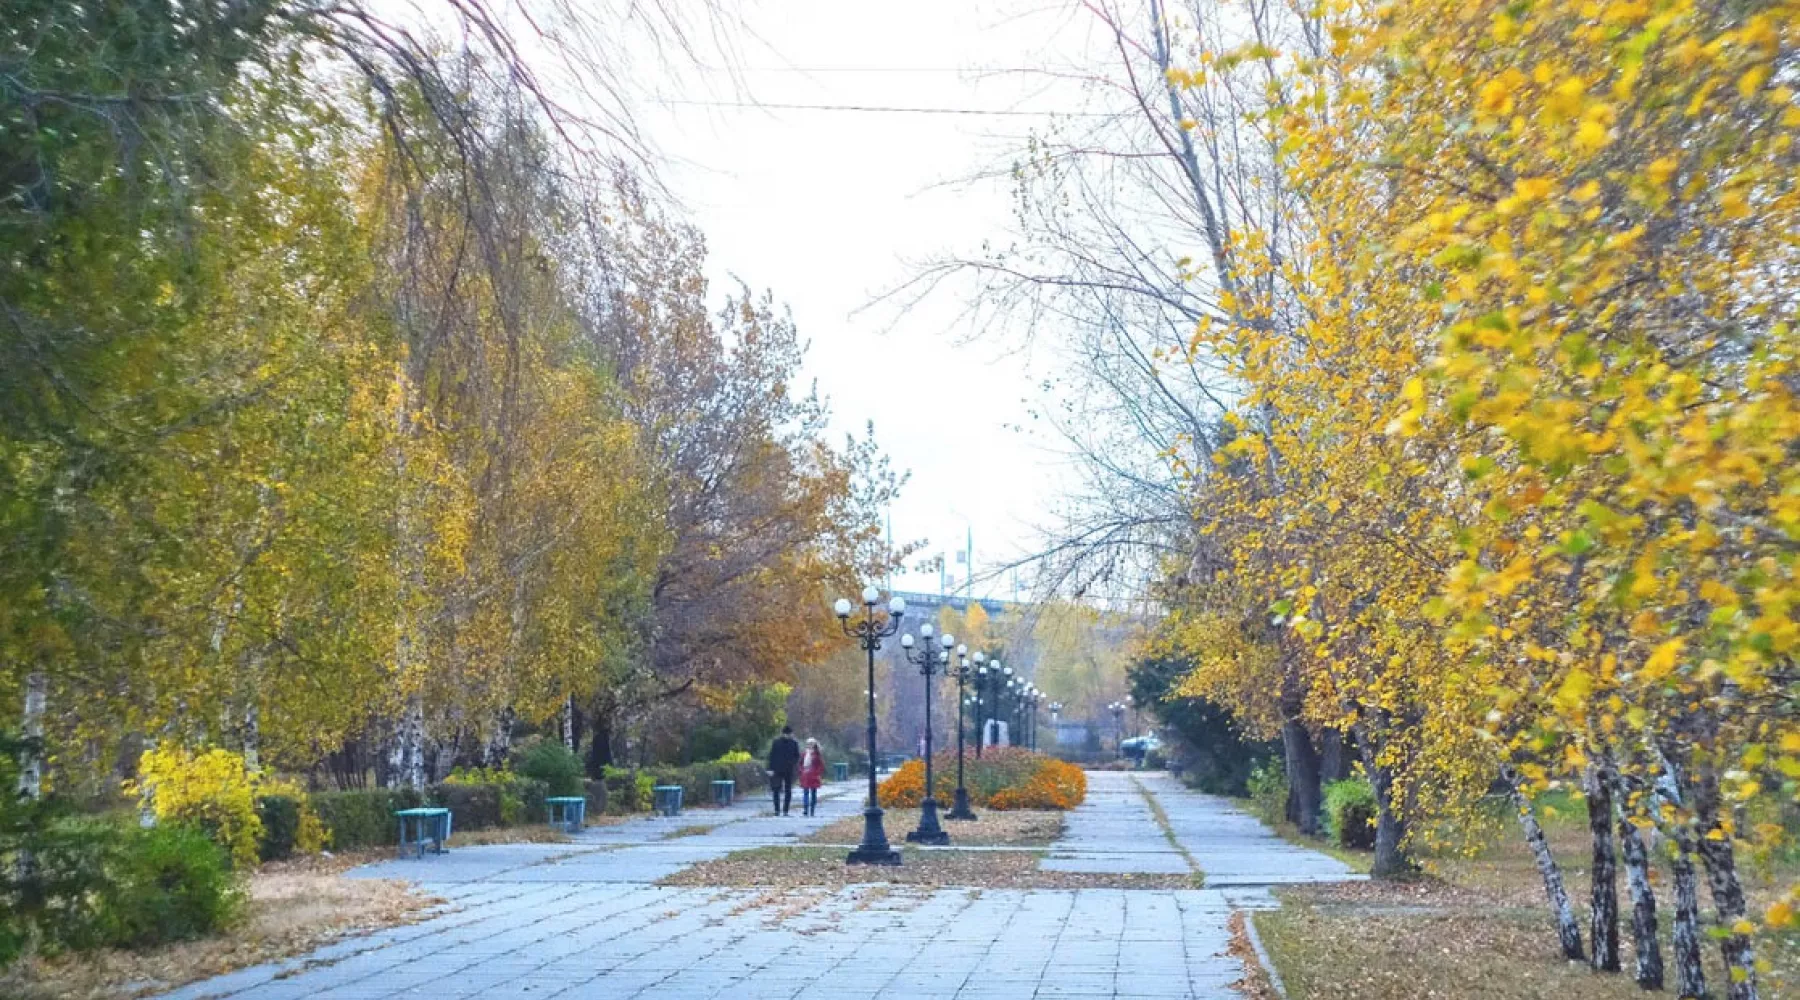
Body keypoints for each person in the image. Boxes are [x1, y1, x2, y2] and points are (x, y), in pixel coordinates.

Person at [766, 725, 801, 816]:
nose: (789, 735)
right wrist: (770, 768)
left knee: (785, 790)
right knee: (778, 790)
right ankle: (779, 810)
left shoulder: (792, 743)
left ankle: (783, 810)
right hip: (780, 769)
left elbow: (797, 756)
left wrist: (792, 763)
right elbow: (772, 756)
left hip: (784, 769)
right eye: (789, 734)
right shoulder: (779, 742)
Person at [797, 738, 825, 816]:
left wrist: (816, 773)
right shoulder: (804, 753)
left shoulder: (817, 754)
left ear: (814, 744)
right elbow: (800, 764)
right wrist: (801, 771)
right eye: (808, 744)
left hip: (813, 776)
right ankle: (805, 809)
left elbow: (821, 766)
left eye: (811, 744)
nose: (810, 745)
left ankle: (812, 810)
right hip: (805, 776)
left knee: (813, 794)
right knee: (805, 793)